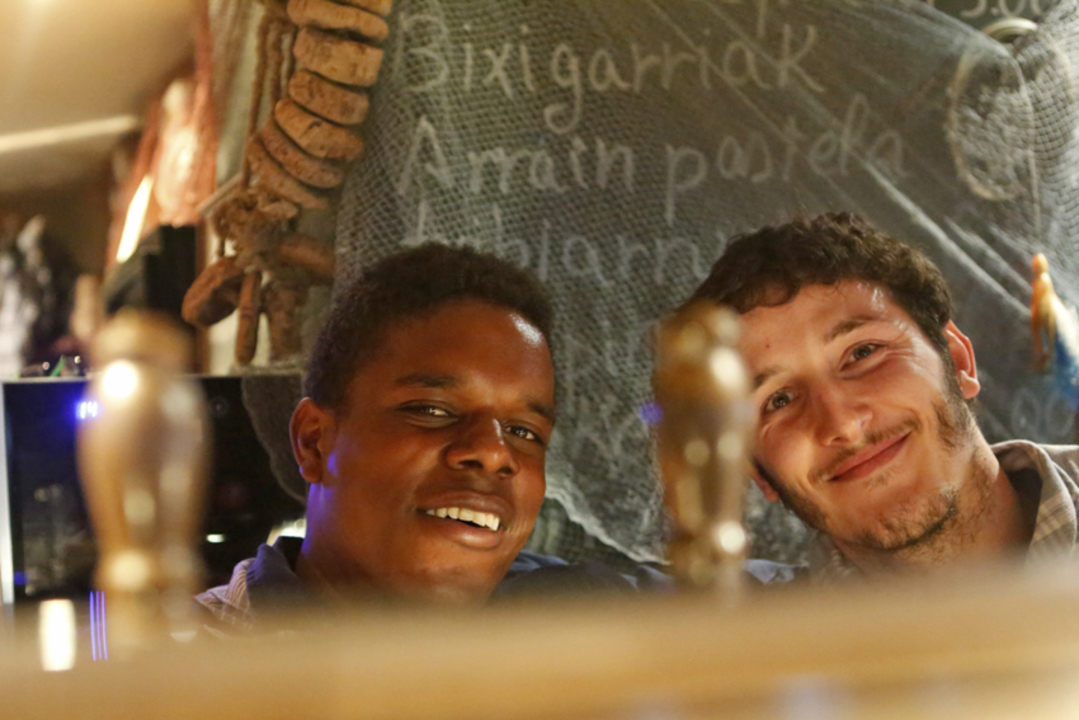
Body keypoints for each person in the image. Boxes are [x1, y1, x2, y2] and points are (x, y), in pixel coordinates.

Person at [197, 243, 577, 632]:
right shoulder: (180, 659)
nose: (494, 452)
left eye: (523, 432)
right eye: (432, 410)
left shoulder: (578, 633)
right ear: (314, 442)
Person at [686, 212, 1079, 580]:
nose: (843, 424)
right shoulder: (737, 631)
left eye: (863, 353)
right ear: (758, 473)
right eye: (779, 401)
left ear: (958, 360)